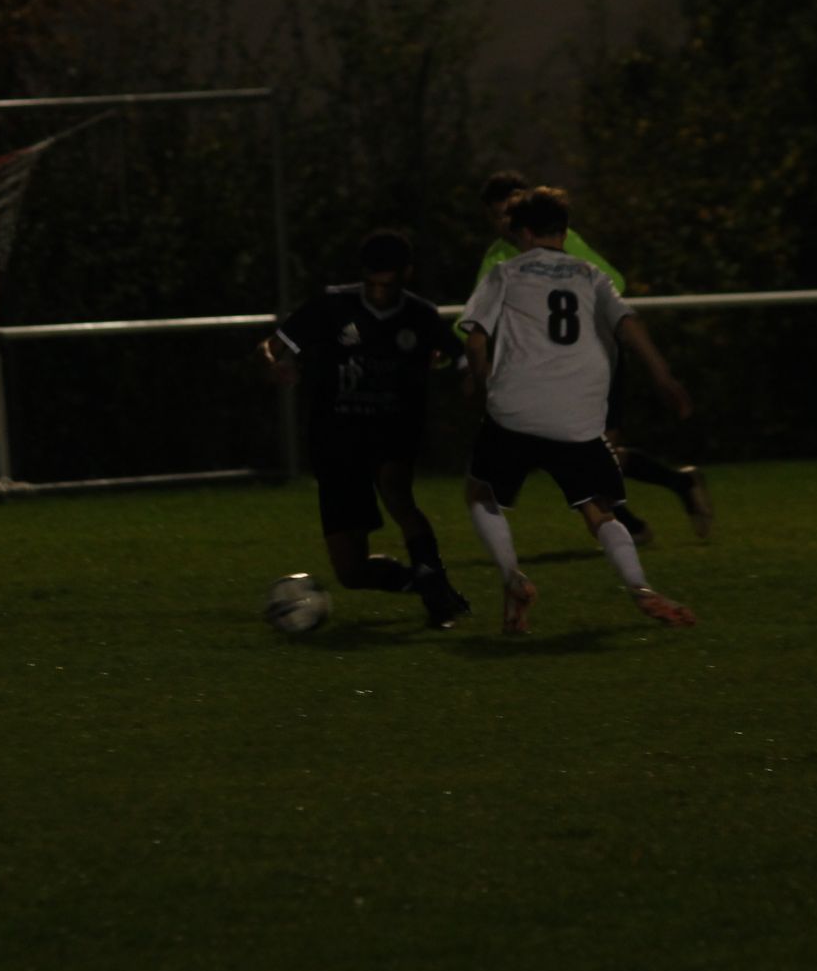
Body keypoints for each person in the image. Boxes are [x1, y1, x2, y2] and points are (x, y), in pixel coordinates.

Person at [458, 186, 698, 634]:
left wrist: (483, 382)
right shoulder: (591, 275)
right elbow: (628, 324)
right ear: (564, 232)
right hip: (578, 415)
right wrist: (664, 377)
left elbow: (474, 340)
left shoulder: (505, 273)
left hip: (515, 409)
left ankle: (512, 578)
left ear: (524, 233)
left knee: (481, 493)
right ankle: (640, 587)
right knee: (598, 509)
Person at [469, 169, 713, 543]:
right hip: (548, 368)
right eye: (498, 215)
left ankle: (639, 520)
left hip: (594, 356)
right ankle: (661, 499)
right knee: (586, 452)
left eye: (511, 212)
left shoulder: (565, 246)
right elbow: (475, 324)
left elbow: (613, 284)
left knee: (590, 452)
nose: (506, 222)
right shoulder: (498, 258)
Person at [258, 228, 472, 627]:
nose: (377, 293)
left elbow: (464, 358)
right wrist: (275, 364)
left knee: (396, 491)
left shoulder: (421, 315)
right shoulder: (332, 306)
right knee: (351, 572)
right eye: (371, 284)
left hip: (393, 427)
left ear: (406, 275)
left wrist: (471, 378)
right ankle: (426, 582)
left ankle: (436, 595)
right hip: (335, 437)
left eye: (386, 285)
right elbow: (273, 344)